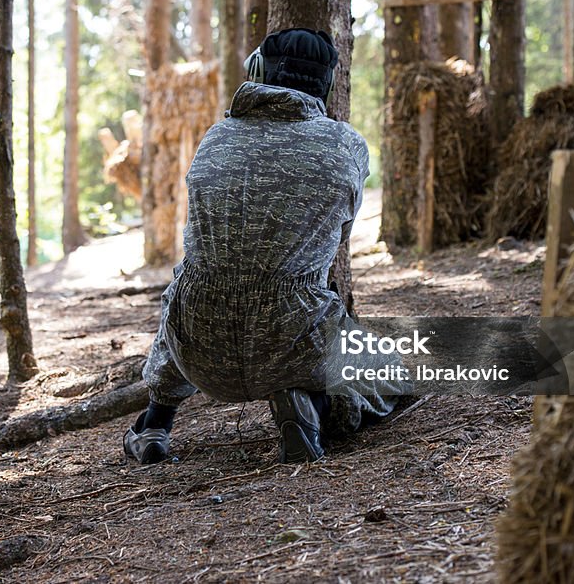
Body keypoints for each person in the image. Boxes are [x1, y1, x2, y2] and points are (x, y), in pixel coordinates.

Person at [123, 28, 411, 464]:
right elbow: (335, 243)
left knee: (194, 277)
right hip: (294, 340)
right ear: (328, 83)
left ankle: (154, 425)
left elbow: (197, 264)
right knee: (395, 376)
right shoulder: (347, 144)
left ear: (258, 72)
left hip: (197, 350)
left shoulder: (215, 139)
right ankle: (312, 406)